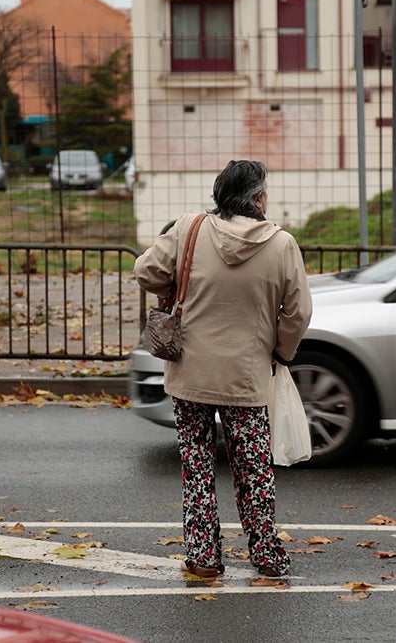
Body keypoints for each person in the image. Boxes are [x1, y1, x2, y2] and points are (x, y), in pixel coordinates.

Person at [133, 160, 312, 579]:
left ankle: (203, 556)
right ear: (258, 198)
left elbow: (145, 272)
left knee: (196, 464)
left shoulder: (188, 229)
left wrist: (178, 287)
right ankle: (266, 554)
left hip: (190, 372)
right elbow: (298, 312)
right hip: (247, 376)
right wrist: (279, 351)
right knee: (253, 468)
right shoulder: (282, 244)